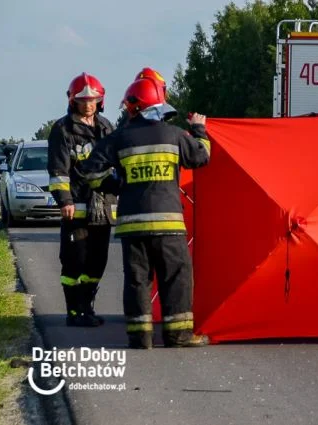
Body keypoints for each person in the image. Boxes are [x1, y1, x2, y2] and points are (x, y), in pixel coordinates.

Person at [79, 75, 211, 349]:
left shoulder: (119, 138)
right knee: (175, 278)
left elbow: (90, 173)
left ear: (132, 107)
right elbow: (201, 156)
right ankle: (179, 336)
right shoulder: (174, 134)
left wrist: (118, 185)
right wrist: (198, 129)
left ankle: (140, 338)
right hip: (169, 225)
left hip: (132, 226)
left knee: (137, 280)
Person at [48, 72, 117, 327]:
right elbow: (58, 169)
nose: (88, 103)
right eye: (83, 99)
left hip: (103, 207)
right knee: (74, 260)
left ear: (100, 100)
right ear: (72, 101)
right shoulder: (62, 129)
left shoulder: (106, 127)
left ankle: (87, 307)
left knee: (98, 261)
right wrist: (64, 200)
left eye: (93, 99)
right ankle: (73, 312)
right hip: (76, 207)